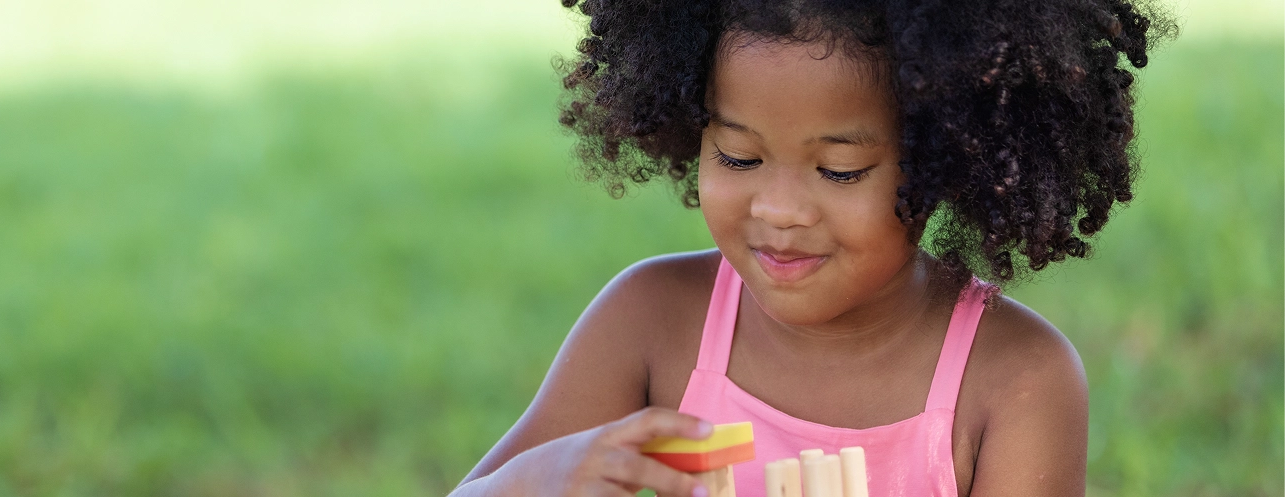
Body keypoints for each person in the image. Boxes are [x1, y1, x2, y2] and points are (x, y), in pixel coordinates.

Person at [449, 0, 1175, 496]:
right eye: (736, 156)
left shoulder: (1017, 381)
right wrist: (538, 477)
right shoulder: (650, 324)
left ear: (946, 157)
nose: (779, 209)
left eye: (839, 171)